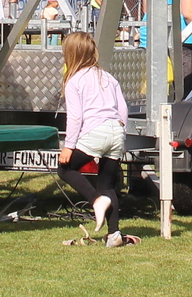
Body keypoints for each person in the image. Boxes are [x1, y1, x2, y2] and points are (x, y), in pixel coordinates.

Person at [57, 31, 137, 247]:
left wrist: (68, 146)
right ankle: (114, 234)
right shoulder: (108, 77)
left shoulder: (74, 81)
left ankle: (95, 201)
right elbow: (123, 109)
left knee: (65, 169)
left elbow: (75, 117)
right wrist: (122, 136)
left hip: (95, 131)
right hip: (116, 131)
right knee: (107, 183)